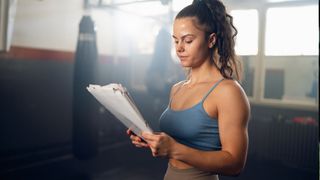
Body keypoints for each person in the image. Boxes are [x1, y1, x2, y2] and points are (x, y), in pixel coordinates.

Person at [127, 0, 250, 179]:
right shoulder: (177, 89)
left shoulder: (228, 92)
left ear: (211, 40)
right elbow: (180, 139)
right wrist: (153, 139)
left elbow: (235, 163)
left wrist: (174, 149)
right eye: (176, 40)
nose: (179, 48)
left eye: (188, 40)